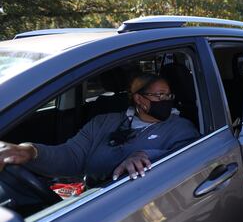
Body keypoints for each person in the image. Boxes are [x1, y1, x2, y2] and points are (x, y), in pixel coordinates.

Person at [0, 73, 199, 184]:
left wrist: (146, 154)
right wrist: (30, 151)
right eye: (159, 96)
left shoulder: (180, 127)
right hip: (87, 199)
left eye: (168, 96)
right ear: (139, 99)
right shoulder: (103, 122)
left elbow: (191, 156)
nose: (166, 101)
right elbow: (72, 155)